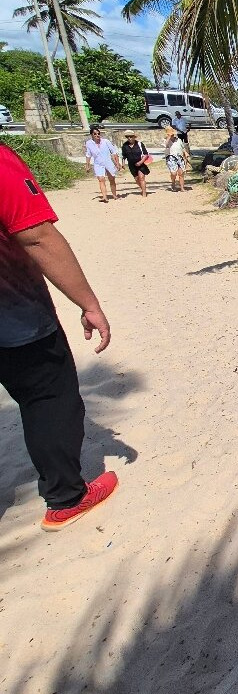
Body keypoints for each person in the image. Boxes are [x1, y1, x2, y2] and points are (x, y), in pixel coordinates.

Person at [0, 141, 118, 531]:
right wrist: (88, 303)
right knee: (48, 396)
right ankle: (67, 498)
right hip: (12, 318)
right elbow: (37, 237)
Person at [84, 127, 122, 202]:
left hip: (108, 162)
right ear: (91, 135)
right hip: (98, 164)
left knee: (112, 179)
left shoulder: (105, 141)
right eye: (95, 134)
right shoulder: (89, 143)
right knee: (101, 179)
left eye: (98, 133)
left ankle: (114, 195)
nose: (97, 135)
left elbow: (114, 152)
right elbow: (88, 155)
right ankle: (104, 197)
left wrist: (117, 163)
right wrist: (87, 165)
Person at [120, 130, 152, 198]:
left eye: (131, 136)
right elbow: (123, 156)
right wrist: (123, 164)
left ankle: (144, 193)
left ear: (134, 137)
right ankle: (143, 188)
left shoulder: (140, 144)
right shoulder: (125, 146)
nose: (129, 138)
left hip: (141, 164)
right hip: (131, 165)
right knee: (137, 180)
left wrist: (141, 162)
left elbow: (145, 154)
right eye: (127, 137)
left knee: (141, 178)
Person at [163, 126, 189, 192]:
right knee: (173, 173)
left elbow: (182, 147)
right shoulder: (166, 140)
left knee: (181, 173)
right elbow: (165, 145)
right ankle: (173, 184)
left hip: (180, 157)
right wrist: (169, 137)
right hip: (171, 157)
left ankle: (182, 188)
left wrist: (185, 153)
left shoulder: (178, 140)